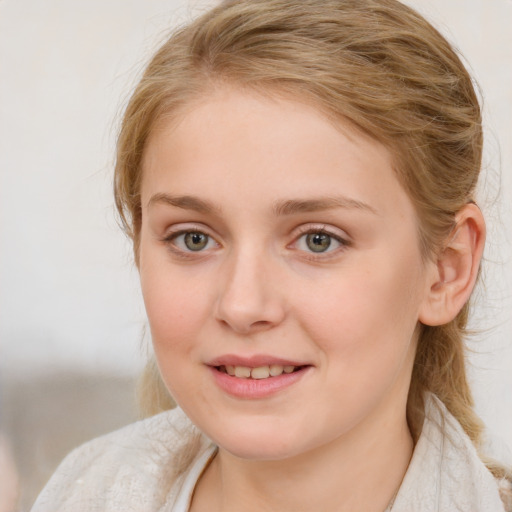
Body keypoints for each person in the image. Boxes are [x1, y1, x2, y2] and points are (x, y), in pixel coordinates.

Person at [31, 0, 512, 510]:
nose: (242, 305)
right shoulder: (82, 491)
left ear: (446, 270)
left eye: (318, 240)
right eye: (194, 238)